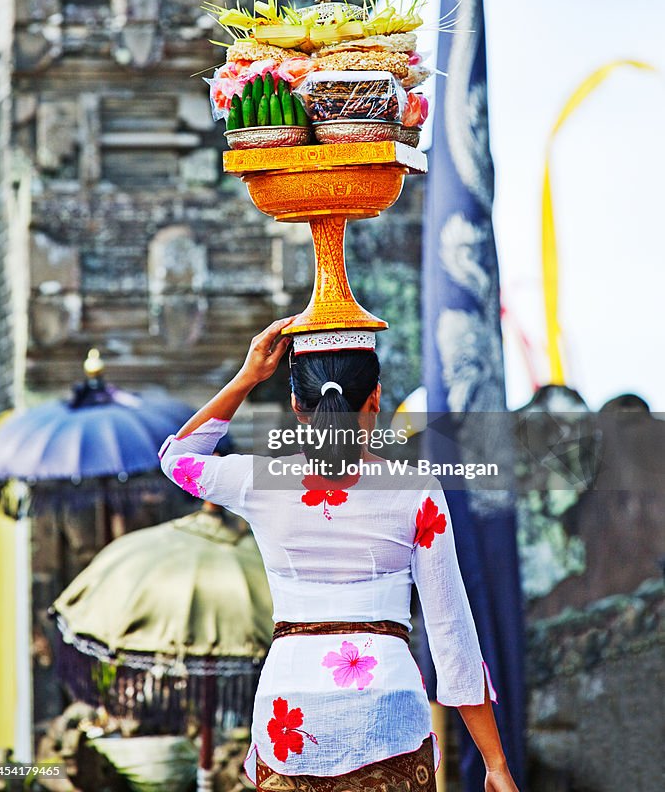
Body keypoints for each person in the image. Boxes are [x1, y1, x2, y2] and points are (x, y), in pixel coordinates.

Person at [160, 318, 520, 792]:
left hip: (289, 715)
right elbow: (451, 630)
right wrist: (494, 763)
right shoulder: (416, 492)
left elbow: (177, 457)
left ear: (295, 406)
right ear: (375, 398)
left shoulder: (260, 481)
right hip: (388, 718)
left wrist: (247, 375)